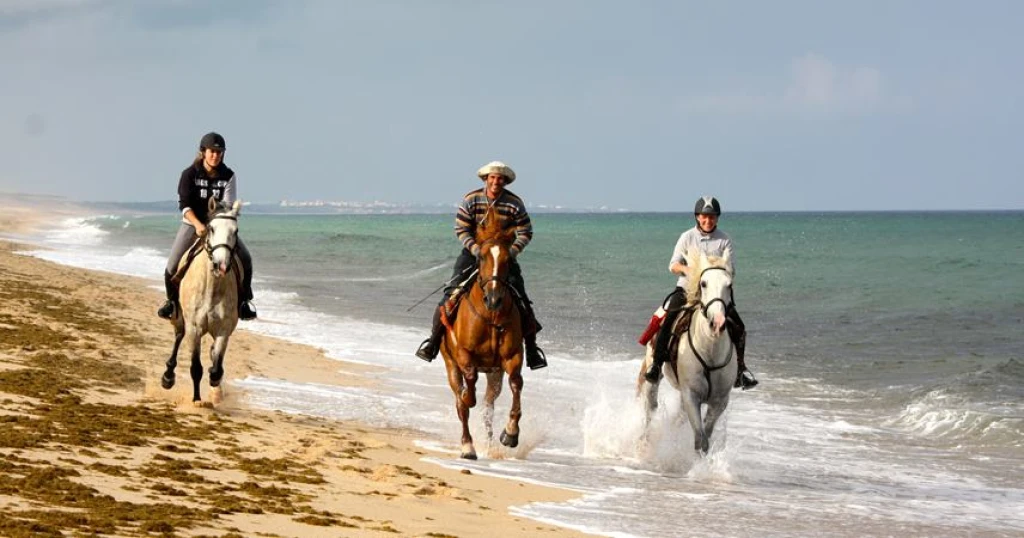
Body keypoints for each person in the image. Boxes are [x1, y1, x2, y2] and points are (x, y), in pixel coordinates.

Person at [414, 160, 547, 370]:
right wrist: (476, 249)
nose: (496, 182)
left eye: (500, 179)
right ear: (486, 179)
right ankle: (432, 342)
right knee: (450, 294)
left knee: (522, 299)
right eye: (492, 178)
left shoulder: (514, 203)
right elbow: (461, 229)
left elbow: (526, 231)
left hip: (502, 256)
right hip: (473, 252)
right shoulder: (471, 199)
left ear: (505, 181)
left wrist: (512, 252)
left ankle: (531, 351)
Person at [643, 196, 758, 389]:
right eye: (704, 216)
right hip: (687, 289)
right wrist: (690, 270)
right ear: (697, 217)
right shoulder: (687, 237)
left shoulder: (724, 240)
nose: (708, 220)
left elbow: (731, 270)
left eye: (712, 217)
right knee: (669, 320)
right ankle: (656, 364)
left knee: (738, 326)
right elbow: (673, 265)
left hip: (714, 294)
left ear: (717, 218)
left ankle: (740, 370)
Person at [157, 132, 257, 321]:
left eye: (219, 152)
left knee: (246, 259)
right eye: (212, 151)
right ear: (203, 152)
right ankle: (171, 303)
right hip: (192, 224)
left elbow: (227, 205)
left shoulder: (228, 175)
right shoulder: (189, 174)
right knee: (172, 265)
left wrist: (217, 225)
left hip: (218, 226)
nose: (215, 155)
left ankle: (244, 303)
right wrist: (197, 225)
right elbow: (184, 205)